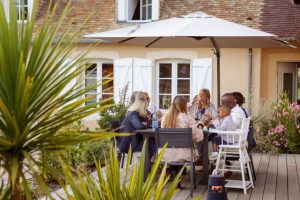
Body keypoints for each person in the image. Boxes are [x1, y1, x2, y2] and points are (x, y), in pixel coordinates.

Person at [161, 96, 203, 162]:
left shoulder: (165, 118)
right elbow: (198, 137)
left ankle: (173, 169)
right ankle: (179, 168)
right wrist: (200, 127)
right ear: (184, 105)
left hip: (166, 154)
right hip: (184, 154)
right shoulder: (187, 118)